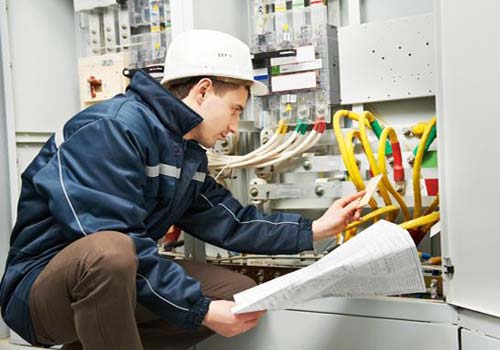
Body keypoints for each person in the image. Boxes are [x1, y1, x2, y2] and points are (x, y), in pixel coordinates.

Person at [0, 29, 363, 350]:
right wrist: (200, 310)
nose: (235, 126)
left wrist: (315, 230)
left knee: (238, 296)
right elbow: (109, 236)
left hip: (112, 280)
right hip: (38, 292)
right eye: (235, 110)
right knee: (110, 250)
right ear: (203, 90)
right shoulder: (112, 129)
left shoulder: (184, 151)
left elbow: (231, 221)